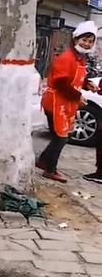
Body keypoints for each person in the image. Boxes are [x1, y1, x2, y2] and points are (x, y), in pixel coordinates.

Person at [37, 21, 98, 183]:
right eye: (84, 40)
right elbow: (61, 83)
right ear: (75, 39)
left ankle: (43, 161)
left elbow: (76, 78)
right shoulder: (67, 58)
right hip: (56, 102)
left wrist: (87, 84)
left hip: (66, 104)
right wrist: (78, 96)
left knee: (62, 135)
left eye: (90, 41)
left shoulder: (80, 59)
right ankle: (50, 169)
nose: (86, 44)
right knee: (61, 137)